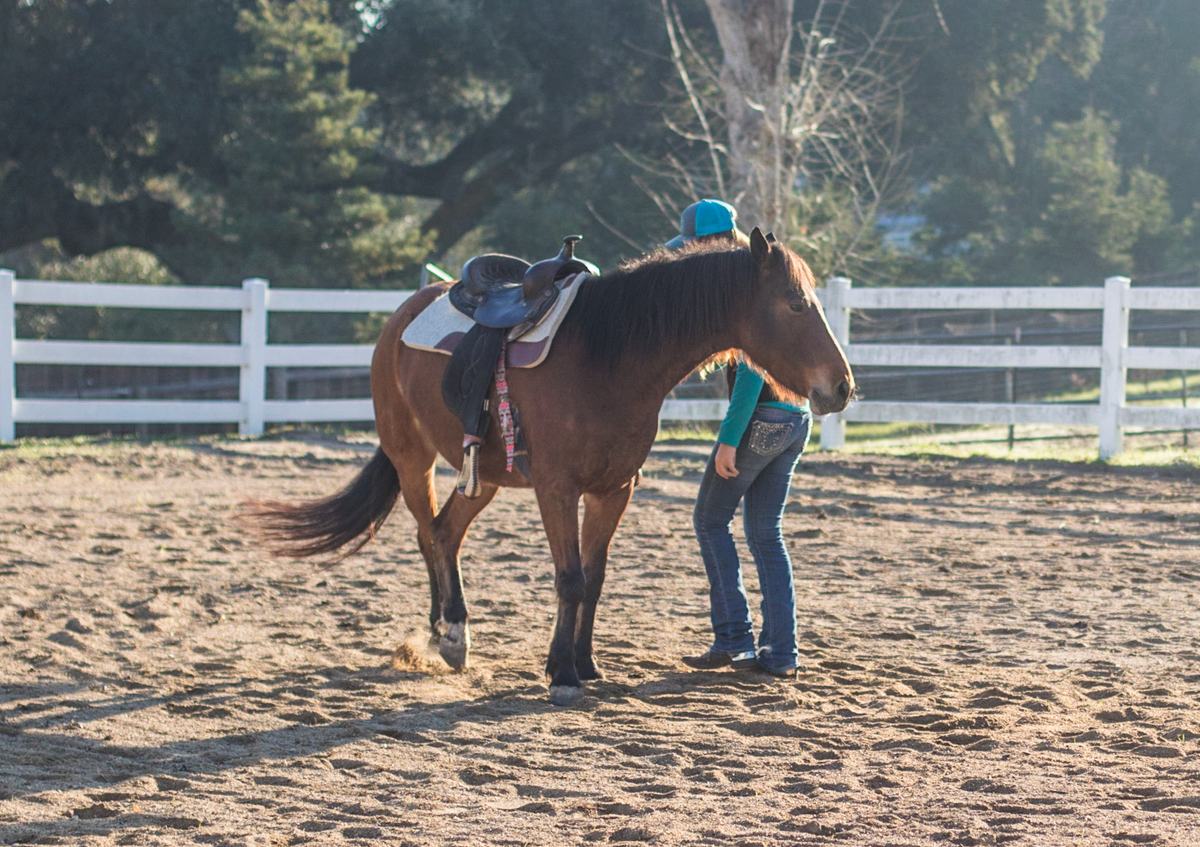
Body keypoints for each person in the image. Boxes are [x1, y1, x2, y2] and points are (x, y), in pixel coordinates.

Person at [669, 200, 812, 678]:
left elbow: (753, 372)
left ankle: (734, 640)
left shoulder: (738, 284)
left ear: (702, 245)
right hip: (795, 417)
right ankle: (781, 654)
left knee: (710, 520)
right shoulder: (762, 271)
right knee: (765, 534)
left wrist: (729, 439)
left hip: (762, 416)